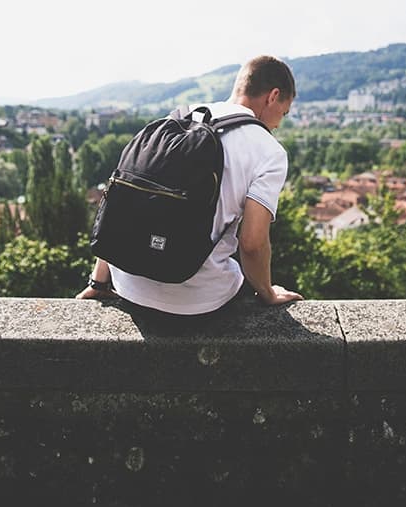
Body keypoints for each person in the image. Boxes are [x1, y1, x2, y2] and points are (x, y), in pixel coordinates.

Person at [75, 55, 304, 320]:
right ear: (273, 96)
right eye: (283, 113)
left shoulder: (177, 118)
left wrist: (99, 283)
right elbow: (252, 244)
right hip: (198, 302)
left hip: (128, 285)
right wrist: (268, 293)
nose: (278, 123)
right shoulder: (269, 151)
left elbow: (128, 199)